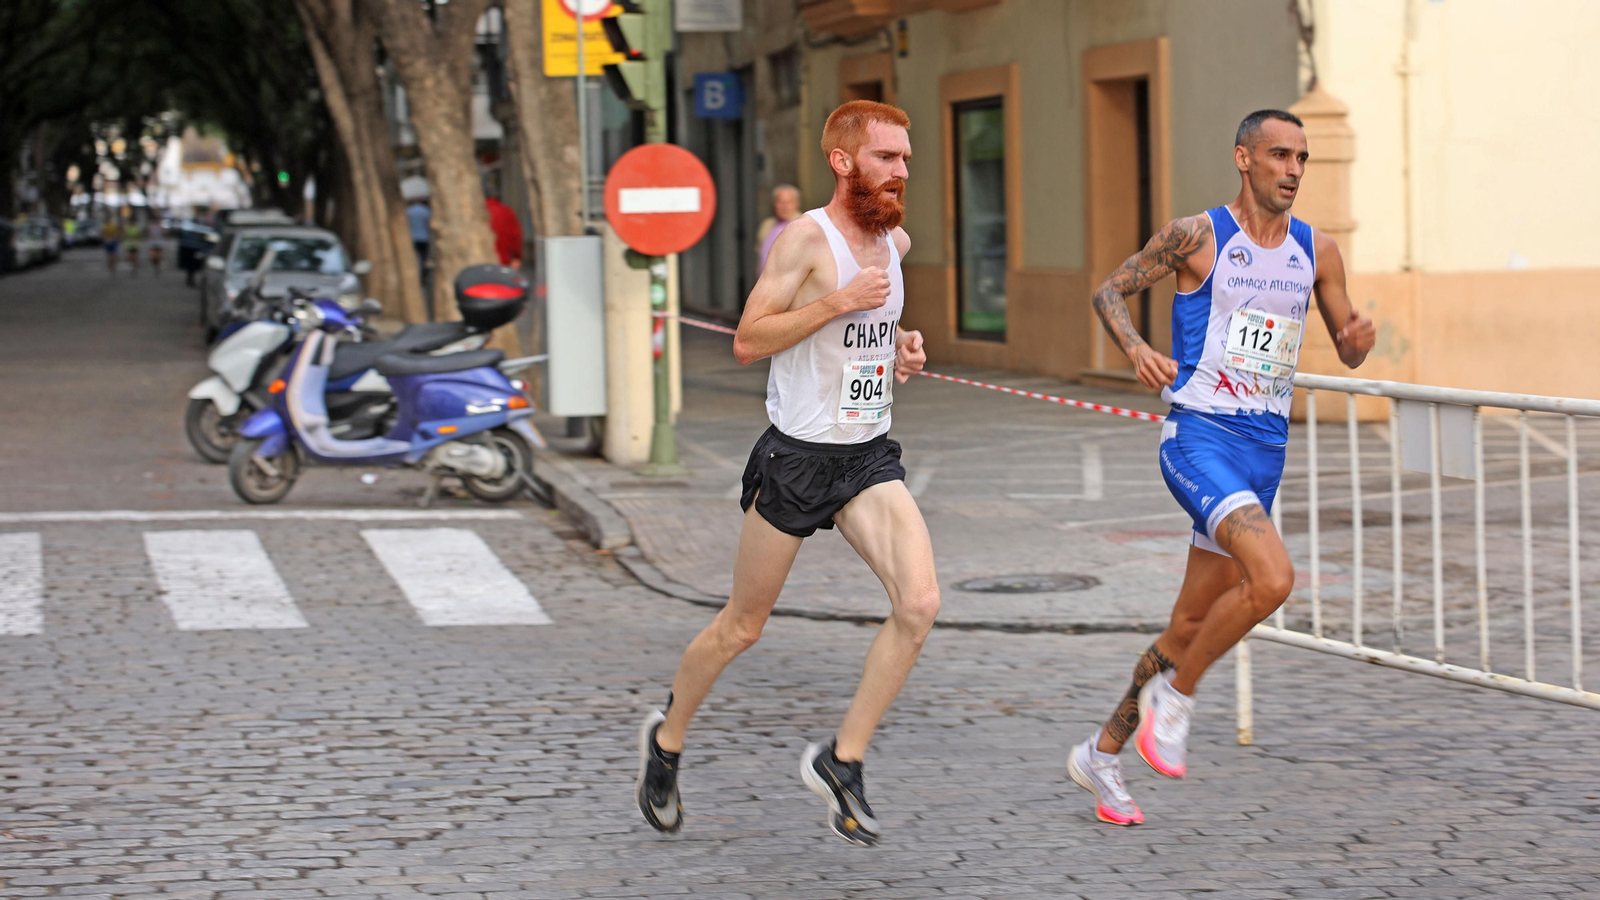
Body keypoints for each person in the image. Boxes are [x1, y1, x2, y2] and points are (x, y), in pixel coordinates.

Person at [1065, 109, 1376, 826]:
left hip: (1265, 452)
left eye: (1302, 157)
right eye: (1278, 155)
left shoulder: (1317, 252)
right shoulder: (1197, 236)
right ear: (1244, 158)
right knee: (1273, 580)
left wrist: (1358, 341)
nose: (1293, 169)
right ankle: (1176, 700)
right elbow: (1109, 290)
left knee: (1189, 623)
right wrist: (1137, 349)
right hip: (1198, 439)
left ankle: (1103, 753)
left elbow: (1348, 346)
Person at [635, 100, 933, 848]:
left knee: (920, 603)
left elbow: (873, 325)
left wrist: (899, 348)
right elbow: (747, 339)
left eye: (905, 157)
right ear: (843, 160)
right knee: (743, 626)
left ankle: (843, 759)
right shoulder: (809, 239)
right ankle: (667, 740)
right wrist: (837, 301)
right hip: (798, 458)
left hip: (867, 454)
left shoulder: (894, 241)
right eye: (887, 158)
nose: (902, 170)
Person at [755, 183, 802, 274]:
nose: (784, 206)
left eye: (789, 202)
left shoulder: (804, 224)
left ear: (797, 204)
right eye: (780, 202)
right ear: (774, 204)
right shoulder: (766, 225)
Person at [484, 194, 522, 268]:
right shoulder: (507, 212)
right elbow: (516, 236)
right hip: (503, 259)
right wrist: (516, 256)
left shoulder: (476, 213)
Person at [407, 197, 431, 284]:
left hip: (413, 238)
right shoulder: (426, 210)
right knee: (424, 257)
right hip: (425, 238)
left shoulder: (408, 211)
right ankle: (424, 274)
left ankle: (418, 274)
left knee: (416, 257)